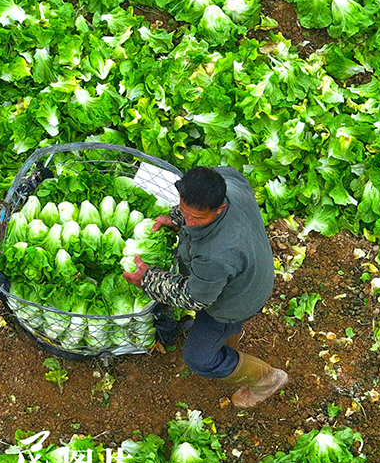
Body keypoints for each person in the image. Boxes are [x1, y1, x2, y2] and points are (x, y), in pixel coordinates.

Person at [123, 165, 287, 408]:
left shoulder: (217, 254)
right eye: (184, 212)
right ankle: (229, 338)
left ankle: (267, 380)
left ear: (220, 208)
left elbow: (194, 299)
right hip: (252, 269)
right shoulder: (228, 181)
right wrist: (175, 218)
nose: (189, 221)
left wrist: (148, 279)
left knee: (199, 358)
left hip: (237, 301)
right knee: (216, 326)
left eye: (197, 218)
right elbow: (193, 208)